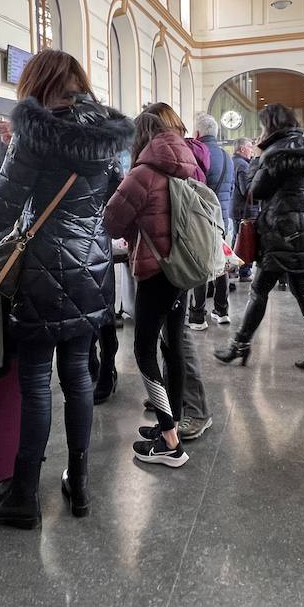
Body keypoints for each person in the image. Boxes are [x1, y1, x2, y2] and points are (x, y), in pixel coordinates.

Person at [0, 51, 132, 524]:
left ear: (36, 82)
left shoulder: (33, 134)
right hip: (93, 268)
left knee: (36, 382)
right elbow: (115, 199)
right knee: (78, 375)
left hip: (39, 269)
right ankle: (78, 486)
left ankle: (23, 497)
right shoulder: (107, 136)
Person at [105, 105, 202, 467]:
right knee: (173, 347)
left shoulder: (143, 174)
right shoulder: (189, 165)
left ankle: (170, 443)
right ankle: (171, 422)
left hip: (155, 271)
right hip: (183, 269)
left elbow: (112, 222)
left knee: (144, 352)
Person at [215, 104, 304, 373]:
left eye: (262, 125)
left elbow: (255, 190)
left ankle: (240, 346)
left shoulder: (272, 153)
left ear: (271, 125)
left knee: (259, 291)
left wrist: (256, 162)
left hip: (281, 234)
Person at [189, 112, 234, 328]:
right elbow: (231, 189)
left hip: (202, 218)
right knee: (221, 263)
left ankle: (198, 316)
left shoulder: (197, 154)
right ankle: (222, 310)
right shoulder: (228, 157)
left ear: (197, 133)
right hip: (222, 218)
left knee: (200, 264)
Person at [231, 137, 259, 282]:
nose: (252, 149)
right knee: (245, 240)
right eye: (249, 146)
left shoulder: (234, 162)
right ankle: (244, 271)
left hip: (236, 208)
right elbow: (246, 190)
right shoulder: (243, 165)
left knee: (237, 238)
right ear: (242, 149)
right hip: (244, 210)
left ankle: (232, 268)